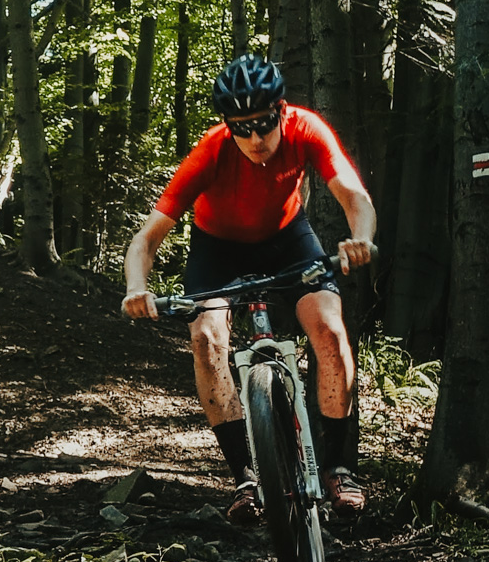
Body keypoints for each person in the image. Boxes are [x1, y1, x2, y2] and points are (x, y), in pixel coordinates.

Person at [120, 54, 376, 525]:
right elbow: (147, 237)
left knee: (330, 332)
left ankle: (341, 468)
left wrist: (360, 238)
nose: (255, 138)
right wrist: (137, 287)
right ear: (227, 125)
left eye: (263, 123)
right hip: (217, 250)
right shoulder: (211, 151)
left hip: (288, 240)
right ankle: (245, 476)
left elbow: (353, 195)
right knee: (206, 339)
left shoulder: (306, 129)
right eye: (241, 128)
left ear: (281, 110)